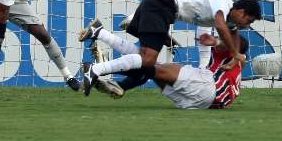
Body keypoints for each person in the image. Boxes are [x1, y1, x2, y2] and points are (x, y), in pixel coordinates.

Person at [80, 0, 262, 97]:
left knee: (144, 59)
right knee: (148, 60)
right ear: (241, 11)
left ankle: (100, 33)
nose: (247, 25)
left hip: (159, 5)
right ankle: (96, 69)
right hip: (162, 6)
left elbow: (233, 35)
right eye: (249, 21)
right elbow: (221, 26)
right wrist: (236, 54)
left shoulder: (230, 18)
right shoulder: (223, 3)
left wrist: (236, 56)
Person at [84, 26, 249, 109]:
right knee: (150, 69)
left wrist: (216, 41)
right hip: (199, 104)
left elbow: (235, 52)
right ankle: (119, 84)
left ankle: (102, 65)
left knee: (149, 64)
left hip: (208, 88)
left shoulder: (233, 54)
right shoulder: (233, 60)